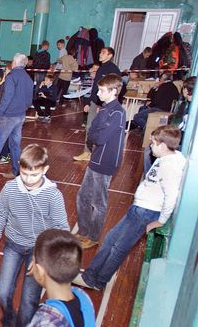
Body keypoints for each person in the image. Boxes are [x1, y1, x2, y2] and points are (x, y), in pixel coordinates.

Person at [75, 125, 186, 292]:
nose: (151, 146)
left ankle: (97, 281)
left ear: (163, 146)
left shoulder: (170, 166)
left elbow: (171, 196)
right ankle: (90, 276)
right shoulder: (169, 158)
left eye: (153, 143)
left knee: (118, 248)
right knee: (110, 240)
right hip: (139, 209)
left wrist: (160, 221)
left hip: (145, 212)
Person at [0, 145, 69, 327]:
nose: (28, 180)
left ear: (45, 170)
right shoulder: (10, 189)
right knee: (2, 293)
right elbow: (1, 213)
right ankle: (9, 321)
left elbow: (61, 228)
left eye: (34, 175)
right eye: (24, 174)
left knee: (28, 301)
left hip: (38, 251)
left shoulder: (53, 196)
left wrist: (41, 257)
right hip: (14, 245)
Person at [75, 74, 126, 250]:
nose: (98, 93)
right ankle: (83, 230)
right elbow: (92, 131)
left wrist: (95, 135)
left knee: (98, 202)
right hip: (95, 159)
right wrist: (95, 135)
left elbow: (100, 137)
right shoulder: (104, 109)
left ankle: (93, 236)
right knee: (83, 197)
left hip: (106, 162)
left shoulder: (118, 112)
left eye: (102, 90)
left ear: (113, 91)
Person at [74, 47, 121, 162]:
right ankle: (87, 152)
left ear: (110, 55)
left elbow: (114, 89)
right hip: (94, 103)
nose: (100, 54)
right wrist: (89, 102)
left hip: (104, 106)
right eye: (100, 52)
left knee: (101, 130)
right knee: (90, 127)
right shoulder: (100, 69)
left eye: (103, 52)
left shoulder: (113, 70)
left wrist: (103, 105)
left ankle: (98, 154)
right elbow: (95, 88)